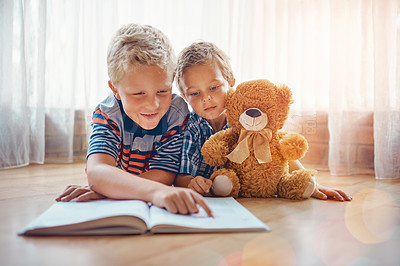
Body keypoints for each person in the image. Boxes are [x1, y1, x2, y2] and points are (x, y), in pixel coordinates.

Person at [56, 24, 213, 217]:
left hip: (126, 184)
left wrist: (109, 189)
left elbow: (164, 174)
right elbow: (97, 170)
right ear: (115, 90)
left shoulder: (176, 114)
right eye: (139, 93)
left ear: (171, 80)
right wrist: (156, 192)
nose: (153, 105)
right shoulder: (108, 113)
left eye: (162, 91)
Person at [173, 41, 352, 201]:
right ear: (185, 97)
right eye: (195, 93)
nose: (207, 98)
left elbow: (277, 149)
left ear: (231, 83)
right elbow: (182, 175)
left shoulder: (250, 119)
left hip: (252, 191)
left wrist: (315, 185)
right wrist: (192, 182)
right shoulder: (191, 128)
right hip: (217, 195)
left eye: (214, 87)